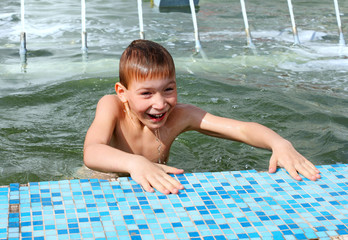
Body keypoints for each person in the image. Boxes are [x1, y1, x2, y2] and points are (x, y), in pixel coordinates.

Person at [83, 39, 321, 195]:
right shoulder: (112, 105)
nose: (160, 103)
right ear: (122, 92)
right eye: (146, 93)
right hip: (107, 178)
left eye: (169, 89)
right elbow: (92, 152)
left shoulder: (180, 116)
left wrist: (279, 143)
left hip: (159, 183)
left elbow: (240, 129)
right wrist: (134, 162)